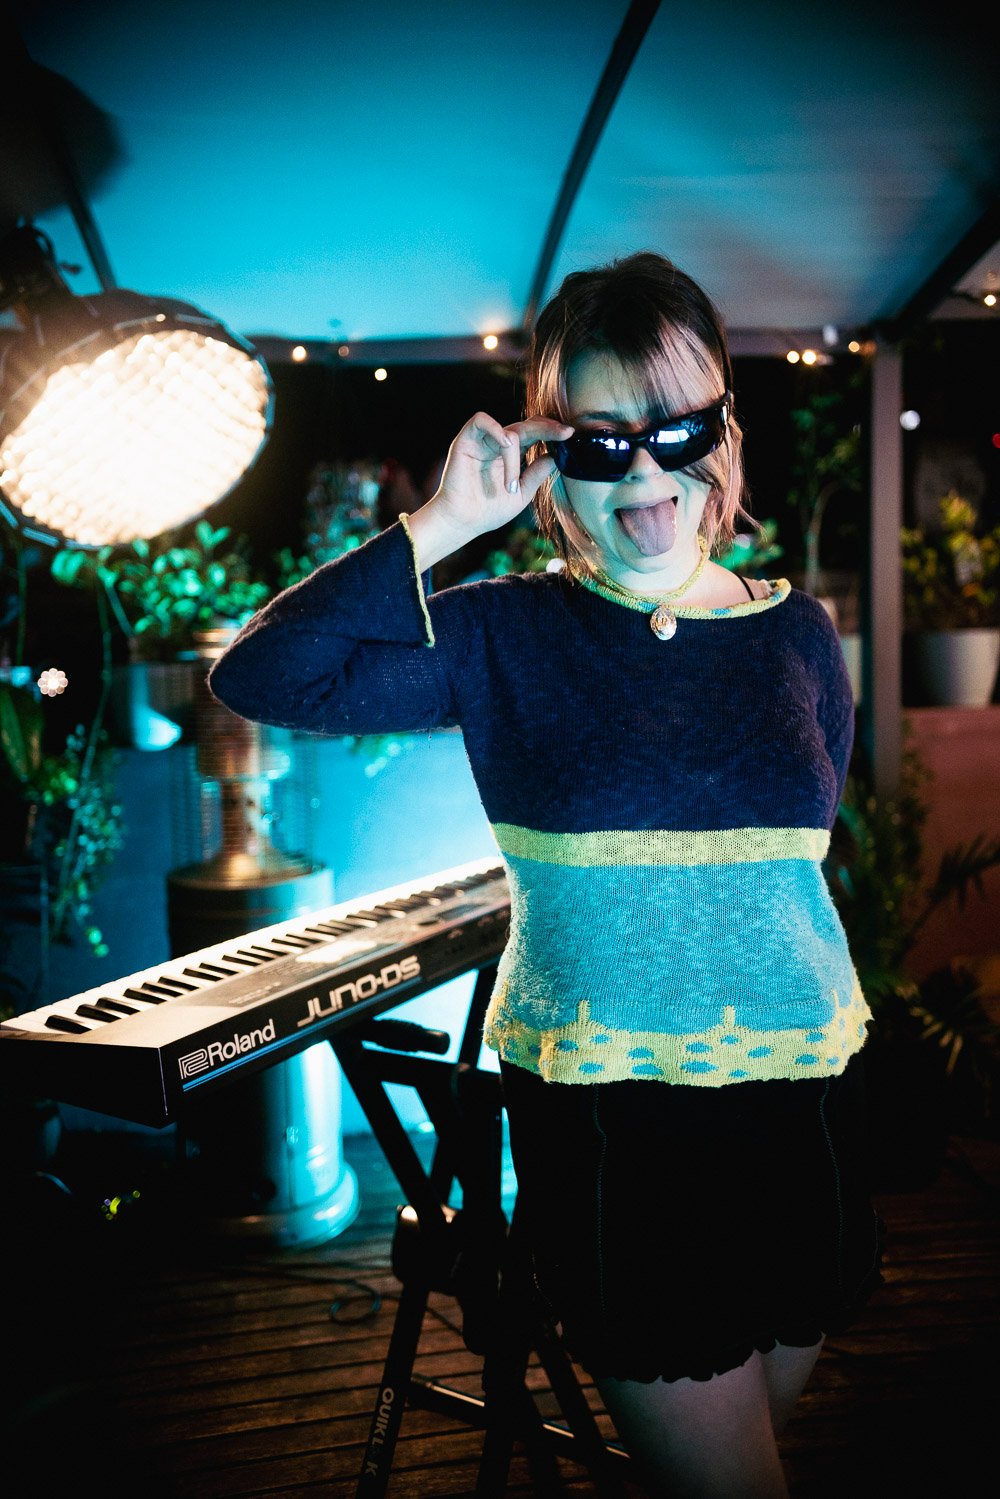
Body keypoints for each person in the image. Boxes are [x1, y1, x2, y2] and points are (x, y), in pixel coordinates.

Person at [207, 251, 885, 1497]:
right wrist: (446, 527)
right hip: (621, 1128)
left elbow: (791, 869)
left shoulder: (801, 634)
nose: (643, 473)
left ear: (721, 432)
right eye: (599, 439)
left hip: (807, 1108)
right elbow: (265, 675)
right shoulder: (504, 631)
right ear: (547, 452)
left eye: (672, 428)